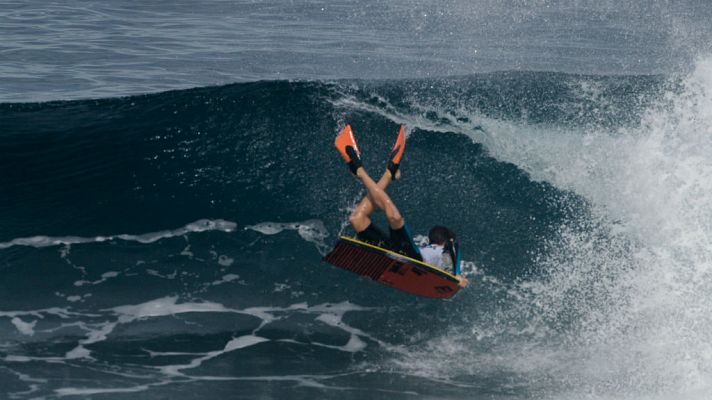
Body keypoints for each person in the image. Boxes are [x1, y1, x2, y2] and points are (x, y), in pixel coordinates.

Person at [334, 124, 469, 288]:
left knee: (356, 219)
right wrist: (458, 277)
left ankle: (387, 176)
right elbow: (453, 257)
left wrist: (459, 277)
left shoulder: (449, 248)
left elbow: (457, 268)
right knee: (394, 217)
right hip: (410, 255)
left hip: (397, 255)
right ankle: (364, 171)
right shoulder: (448, 245)